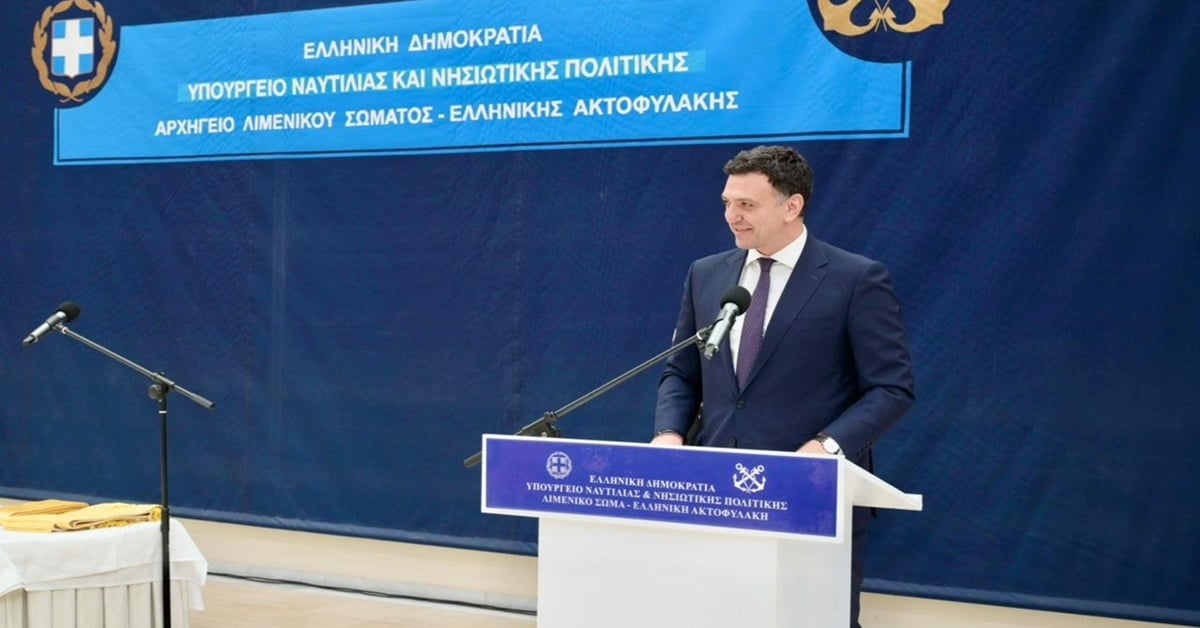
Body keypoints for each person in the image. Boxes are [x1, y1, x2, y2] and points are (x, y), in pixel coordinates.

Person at [652, 145, 915, 628]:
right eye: (727, 202)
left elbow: (890, 388)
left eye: (747, 205)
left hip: (810, 493)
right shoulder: (707, 274)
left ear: (792, 205)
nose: (732, 216)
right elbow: (682, 372)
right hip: (716, 491)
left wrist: (825, 446)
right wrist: (669, 434)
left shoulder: (855, 278)